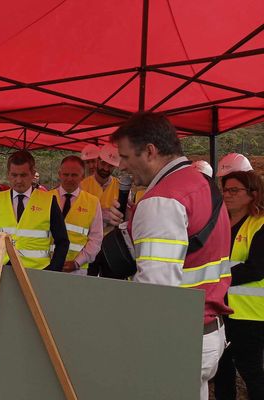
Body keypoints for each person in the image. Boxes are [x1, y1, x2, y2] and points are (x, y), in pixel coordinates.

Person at [109, 112, 232, 400]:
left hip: (175, 338)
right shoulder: (200, 184)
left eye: (126, 157)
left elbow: (156, 291)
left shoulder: (162, 200)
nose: (122, 166)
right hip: (205, 330)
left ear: (150, 150)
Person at [214, 170, 264, 400]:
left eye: (234, 190)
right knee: (222, 369)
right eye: (225, 190)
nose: (227, 195)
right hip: (219, 308)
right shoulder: (218, 221)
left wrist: (217, 275)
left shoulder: (259, 224)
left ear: (252, 194)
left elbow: (256, 268)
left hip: (249, 314)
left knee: (250, 371)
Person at [0, 150, 69, 271]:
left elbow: (62, 241)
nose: (18, 180)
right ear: (8, 174)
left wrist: (53, 271)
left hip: (37, 270)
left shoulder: (48, 201)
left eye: (23, 175)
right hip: (1, 269)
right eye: (14, 175)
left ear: (33, 174)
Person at [54, 155, 103, 274]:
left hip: (77, 270)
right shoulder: (46, 198)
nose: (69, 179)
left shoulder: (93, 202)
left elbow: (96, 239)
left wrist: (77, 262)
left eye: (74, 175)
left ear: (83, 176)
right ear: (59, 174)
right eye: (66, 174)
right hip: (49, 265)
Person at [80, 143, 121, 227]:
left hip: (111, 236)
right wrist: (106, 214)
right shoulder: (82, 185)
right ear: (97, 161)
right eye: (103, 163)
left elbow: (122, 216)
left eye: (111, 166)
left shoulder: (121, 187)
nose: (106, 168)